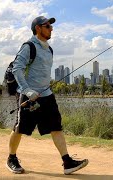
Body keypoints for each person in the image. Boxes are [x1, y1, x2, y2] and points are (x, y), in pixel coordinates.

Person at [6, 16, 88, 175]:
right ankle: (11, 158)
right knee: (20, 128)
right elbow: (17, 69)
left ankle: (67, 162)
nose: (51, 29)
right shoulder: (29, 47)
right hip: (28, 95)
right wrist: (28, 90)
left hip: (46, 95)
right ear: (38, 28)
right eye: (48, 26)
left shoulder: (49, 49)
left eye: (51, 26)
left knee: (56, 127)